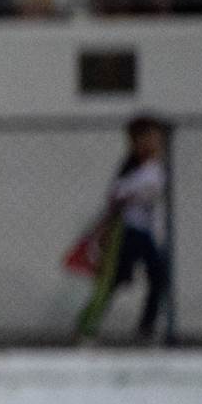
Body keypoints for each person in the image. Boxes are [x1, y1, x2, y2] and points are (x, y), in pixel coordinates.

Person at [74, 116, 173, 345]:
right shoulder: (134, 167)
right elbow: (120, 193)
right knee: (113, 280)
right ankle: (86, 327)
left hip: (144, 231)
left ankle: (145, 329)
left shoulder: (153, 167)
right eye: (149, 136)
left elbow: (146, 190)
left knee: (157, 277)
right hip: (128, 231)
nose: (155, 141)